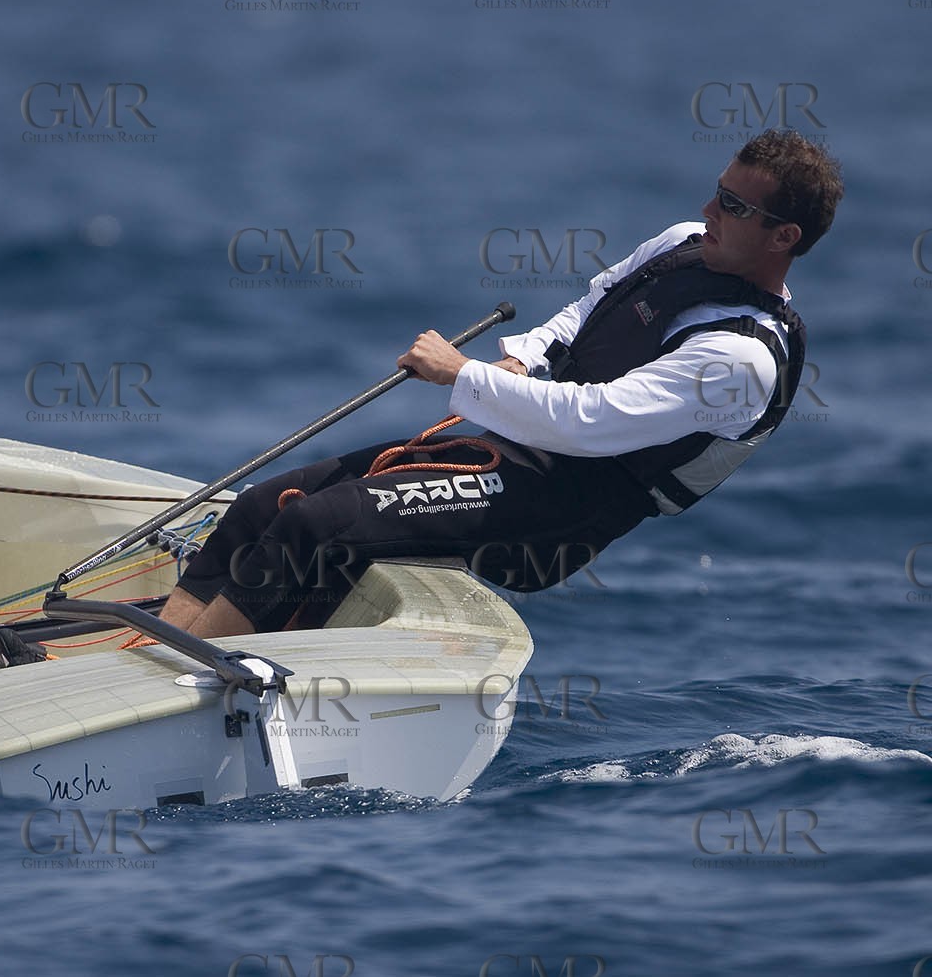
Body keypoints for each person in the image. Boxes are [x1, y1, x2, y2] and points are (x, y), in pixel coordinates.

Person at [164, 129, 843, 639]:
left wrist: (463, 374)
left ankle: (192, 693)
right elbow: (587, 311)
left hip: (561, 513)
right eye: (718, 190)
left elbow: (590, 421)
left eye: (733, 205)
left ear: (783, 236)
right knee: (261, 503)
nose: (709, 207)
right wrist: (523, 358)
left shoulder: (740, 359)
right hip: (515, 450)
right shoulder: (684, 242)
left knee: (313, 525)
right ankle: (148, 655)